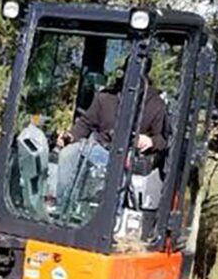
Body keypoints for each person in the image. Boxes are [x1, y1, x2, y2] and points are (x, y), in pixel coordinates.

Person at [52, 58, 168, 205]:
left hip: (128, 159)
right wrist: (70, 136)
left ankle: (114, 213)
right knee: (69, 154)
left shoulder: (156, 104)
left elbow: (162, 139)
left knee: (120, 176)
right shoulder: (105, 97)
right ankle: (62, 205)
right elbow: (86, 123)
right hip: (99, 149)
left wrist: (150, 141)